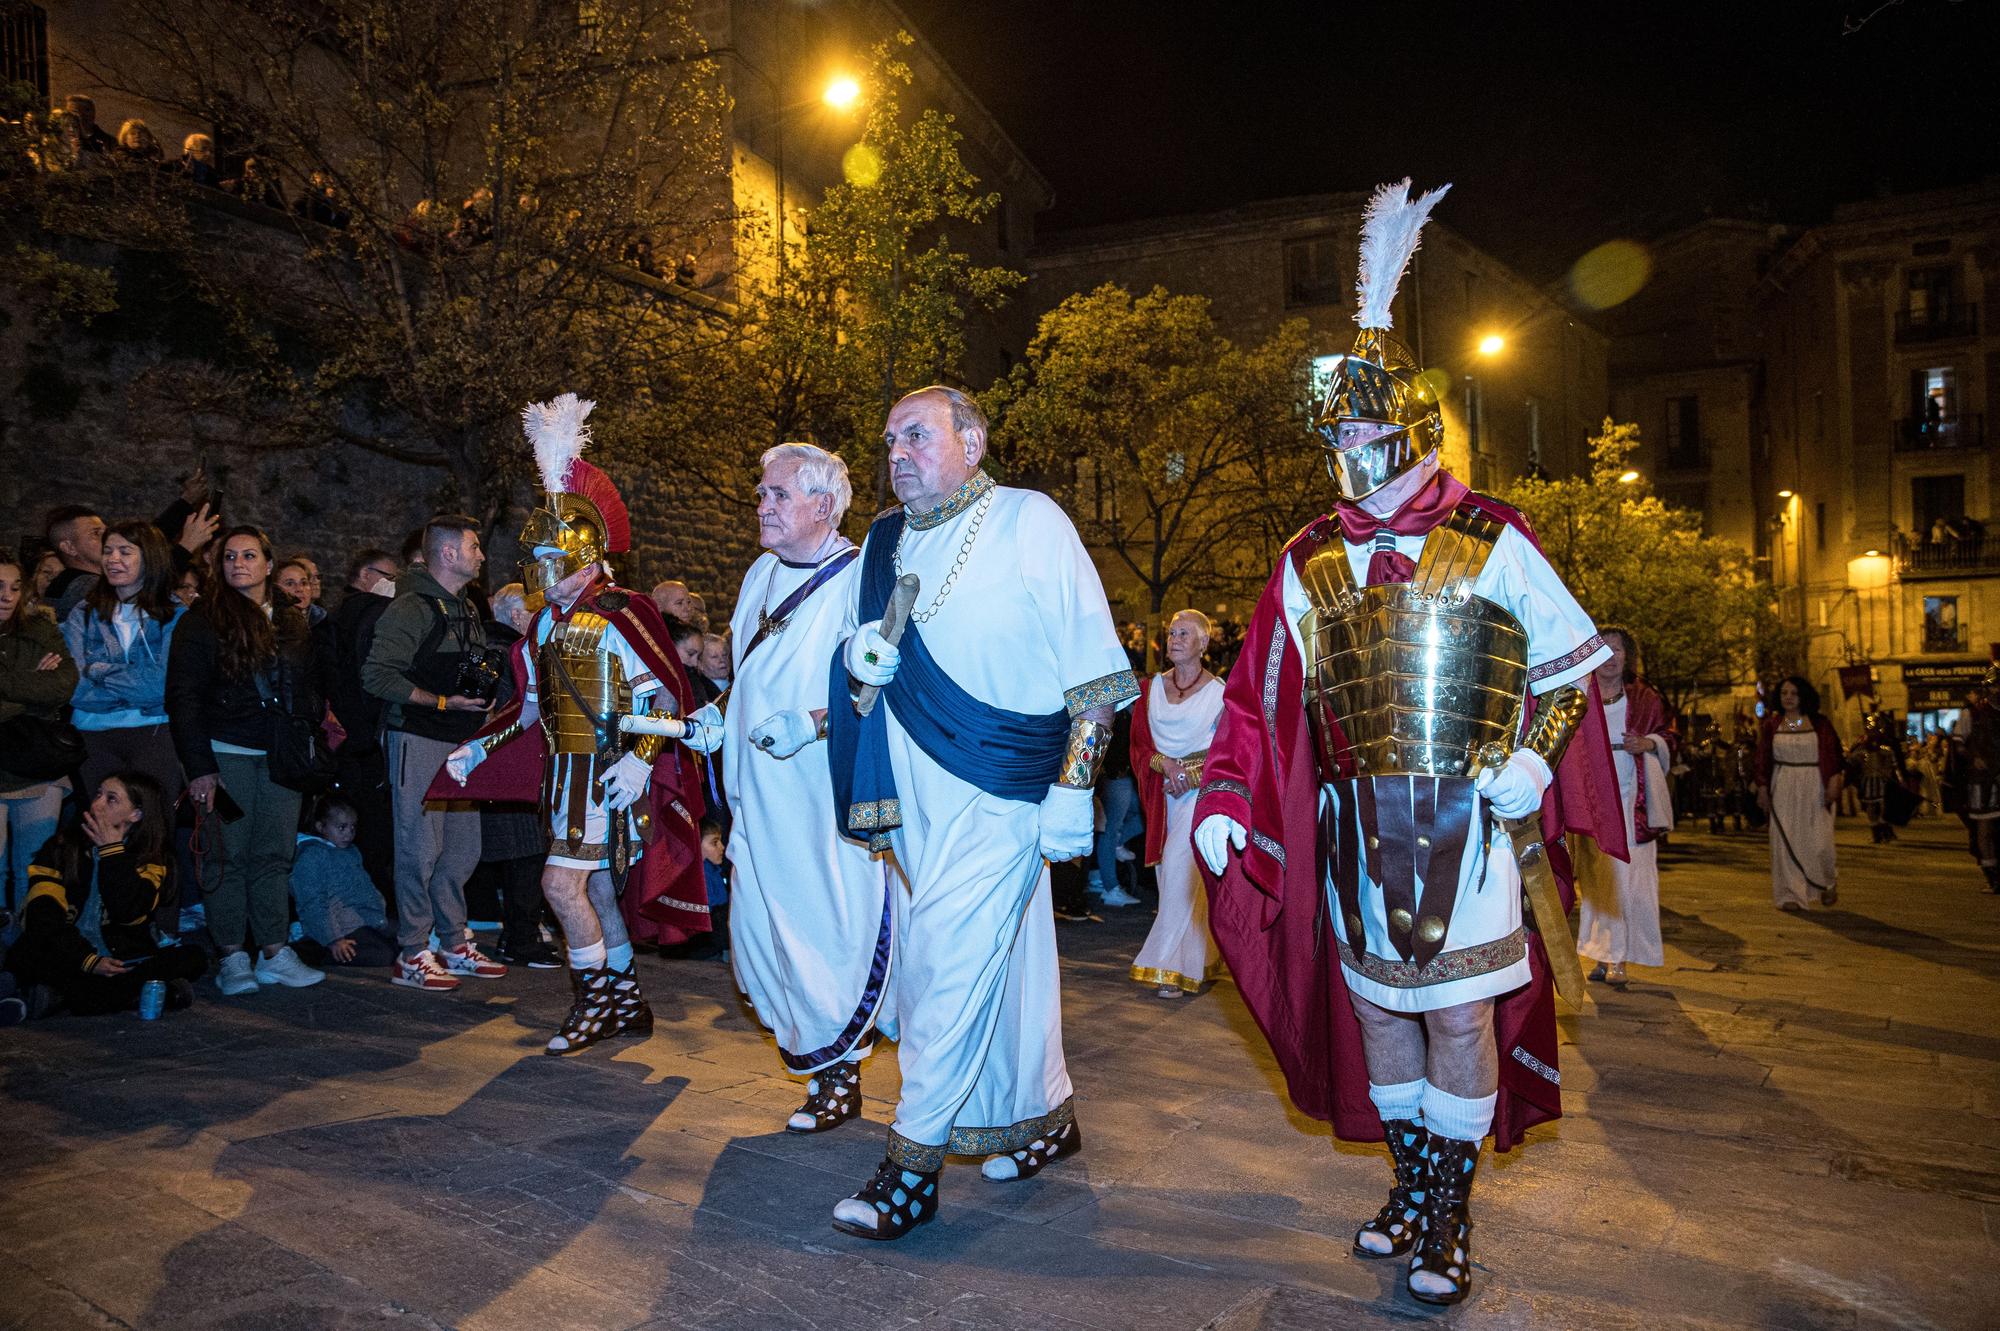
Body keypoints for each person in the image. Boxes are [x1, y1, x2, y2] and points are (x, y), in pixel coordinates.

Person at [1191, 181, 1624, 1308]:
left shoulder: (1491, 538)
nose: (1346, 446)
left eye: (1362, 428)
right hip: (1345, 824)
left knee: (1455, 1008)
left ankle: (1449, 1212)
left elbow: (1575, 669)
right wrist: (1230, 792)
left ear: (1410, 432)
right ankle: (1410, 1181)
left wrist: (1534, 757)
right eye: (1334, 430)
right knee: (1380, 1004)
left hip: (1467, 818)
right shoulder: (1305, 557)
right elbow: (1255, 693)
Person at [823, 385, 1136, 1239]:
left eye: (916, 435)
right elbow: (865, 670)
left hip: (1005, 792)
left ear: (972, 439)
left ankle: (909, 1167)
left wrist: (1077, 786)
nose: (897, 453)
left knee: (942, 967)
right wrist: (861, 664)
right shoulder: (883, 542)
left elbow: (1097, 676)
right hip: (917, 799)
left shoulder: (1030, 519)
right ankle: (1045, 1118)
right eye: (889, 439)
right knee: (1011, 959)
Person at [443, 394, 712, 1052]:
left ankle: (592, 999)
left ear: (585, 561)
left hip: (607, 773)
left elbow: (664, 703)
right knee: (592, 884)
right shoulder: (541, 626)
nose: (541, 568)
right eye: (536, 556)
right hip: (561, 775)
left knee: (559, 884)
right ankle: (624, 996)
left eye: (552, 557)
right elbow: (530, 707)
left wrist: (642, 759)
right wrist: (478, 753)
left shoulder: (623, 612)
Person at [707, 442, 886, 1134]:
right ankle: (815, 1058)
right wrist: (714, 718)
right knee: (759, 936)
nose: (762, 506)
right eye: (761, 493)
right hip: (755, 794)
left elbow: (876, 683)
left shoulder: (858, 578)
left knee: (820, 930)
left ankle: (836, 1076)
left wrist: (812, 723)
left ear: (823, 503)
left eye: (778, 494)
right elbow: (750, 670)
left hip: (816, 796)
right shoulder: (760, 572)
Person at [165, 525, 327, 995]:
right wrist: (198, 768)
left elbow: (309, 684)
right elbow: (184, 698)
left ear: (269, 564)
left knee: (275, 854)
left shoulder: (292, 620)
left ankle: (275, 950)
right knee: (225, 854)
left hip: (281, 759)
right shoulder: (202, 621)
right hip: (225, 757)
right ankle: (233, 954)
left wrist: (310, 726)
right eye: (231, 556)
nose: (239, 563)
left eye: (250, 555)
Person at [363, 515, 502, 992]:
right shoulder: (410, 607)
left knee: (462, 849)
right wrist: (443, 702)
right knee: (419, 849)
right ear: (447, 553)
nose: (481, 556)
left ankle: (452, 940)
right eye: (474, 547)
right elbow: (377, 677)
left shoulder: (464, 608)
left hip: (461, 744)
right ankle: (411, 951)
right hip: (419, 740)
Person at [4, 772, 208, 1016]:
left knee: (192, 958)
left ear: (136, 814)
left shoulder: (152, 859)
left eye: (111, 799)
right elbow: (43, 918)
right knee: (31, 953)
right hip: (66, 952)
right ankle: (136, 996)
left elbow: (127, 913)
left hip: (119, 958)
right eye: (98, 794)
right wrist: (88, 961)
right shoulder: (61, 847)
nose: (97, 804)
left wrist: (112, 852)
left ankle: (54, 997)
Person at [1128, 609, 1225, 998]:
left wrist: (1189, 774)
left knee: (1180, 874)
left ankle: (1164, 966)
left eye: (1185, 633)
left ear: (1203, 643)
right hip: (1161, 795)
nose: (1175, 639)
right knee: (1172, 875)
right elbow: (1138, 745)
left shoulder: (1220, 692)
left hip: (1198, 796)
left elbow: (1227, 750)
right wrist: (1164, 766)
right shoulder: (1149, 689)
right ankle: (1194, 961)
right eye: (1171, 633)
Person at [1571, 626, 1673, 990]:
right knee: (1600, 878)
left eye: (1618, 650)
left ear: (1628, 657)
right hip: (1596, 797)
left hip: (1634, 797)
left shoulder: (1644, 697)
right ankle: (1602, 954)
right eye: (1604, 649)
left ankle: (1620, 958)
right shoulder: (1580, 694)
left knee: (1632, 879)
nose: (1611, 657)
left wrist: (1648, 742)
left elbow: (1670, 736)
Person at [61, 518, 186, 805]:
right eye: (107, 551)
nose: (112, 559)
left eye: (125, 551)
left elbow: (159, 685)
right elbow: (76, 687)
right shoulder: (84, 612)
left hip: (154, 731)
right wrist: (133, 692)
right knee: (101, 827)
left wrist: (98, 670)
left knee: (153, 824)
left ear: (149, 558)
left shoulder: (174, 614)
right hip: (93, 732)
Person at [474, 583, 558, 969]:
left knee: (523, 854)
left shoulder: (498, 647)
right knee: (525, 853)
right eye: (535, 612)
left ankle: (521, 933)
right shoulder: (507, 651)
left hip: (505, 766)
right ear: (517, 616)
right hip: (511, 766)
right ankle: (520, 938)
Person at [0, 557, 79, 915]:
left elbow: (62, 686)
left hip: (37, 760)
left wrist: (9, 686)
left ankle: (28, 954)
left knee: (34, 869)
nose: (7, 596)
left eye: (15, 588)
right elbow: (42, 693)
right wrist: (32, 688)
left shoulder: (39, 629)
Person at [1755, 676, 1843, 912]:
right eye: (1784, 693)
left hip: (1814, 785)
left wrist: (1834, 782)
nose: (1788, 698)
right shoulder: (1773, 725)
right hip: (1782, 785)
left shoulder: (1820, 723)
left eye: (1794, 693)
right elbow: (1763, 759)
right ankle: (1790, 894)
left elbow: (1835, 757)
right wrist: (1762, 787)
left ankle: (1827, 880)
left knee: (1820, 843)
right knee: (1785, 841)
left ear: (1803, 696)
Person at [289, 795, 398, 969]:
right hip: (340, 928)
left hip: (366, 919)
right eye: (341, 827)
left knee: (403, 940)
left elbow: (364, 885)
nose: (349, 834)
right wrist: (333, 939)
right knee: (382, 955)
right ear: (321, 827)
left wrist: (378, 906)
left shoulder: (350, 851)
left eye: (352, 827)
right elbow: (312, 903)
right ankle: (312, 951)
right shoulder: (311, 856)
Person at [1090, 704, 1144, 908]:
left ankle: (1106, 862)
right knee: (1109, 829)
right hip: (1115, 775)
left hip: (1123, 775)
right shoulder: (1115, 709)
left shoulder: (1126, 710)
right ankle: (1110, 887)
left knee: (1139, 818)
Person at [1956, 670, 2000, 891]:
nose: (1998, 690)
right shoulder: (1972, 714)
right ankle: (1992, 876)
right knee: (1984, 828)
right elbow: (1959, 744)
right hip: (1981, 781)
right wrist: (1975, 758)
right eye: (1994, 686)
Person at [1850, 709, 1907, 844]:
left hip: (1884, 780)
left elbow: (1895, 765)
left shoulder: (1887, 748)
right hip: (1868, 780)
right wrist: (1857, 753)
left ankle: (1885, 831)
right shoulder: (1861, 748)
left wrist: (1901, 779)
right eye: (1870, 730)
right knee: (1871, 806)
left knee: (1884, 806)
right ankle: (1876, 832)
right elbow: (1852, 761)